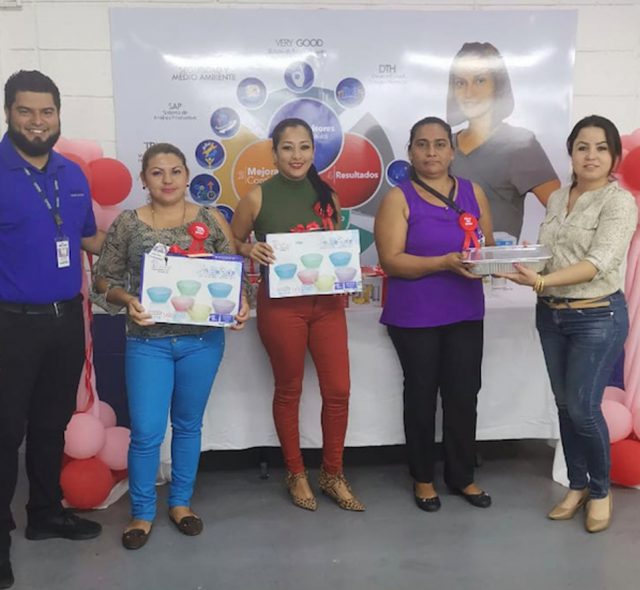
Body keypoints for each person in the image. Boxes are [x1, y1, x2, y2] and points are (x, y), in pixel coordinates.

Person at [92, 143, 249, 549]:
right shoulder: (128, 223)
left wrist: (241, 304)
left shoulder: (210, 219)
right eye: (157, 172)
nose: (167, 180)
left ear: (187, 175)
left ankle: (180, 503)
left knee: (188, 425)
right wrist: (127, 299)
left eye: (175, 171)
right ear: (144, 179)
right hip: (148, 343)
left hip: (202, 343)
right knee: (146, 432)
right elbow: (102, 279)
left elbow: (234, 272)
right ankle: (142, 512)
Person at [498, 115, 637, 533]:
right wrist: (520, 265)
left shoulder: (619, 202)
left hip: (597, 316)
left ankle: (600, 491)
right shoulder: (559, 197)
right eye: (582, 147)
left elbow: (598, 263)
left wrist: (541, 281)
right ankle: (577, 486)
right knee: (563, 406)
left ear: (614, 156)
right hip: (552, 314)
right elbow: (553, 255)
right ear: (571, 153)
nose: (591, 156)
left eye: (601, 148)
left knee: (583, 408)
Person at [0, 70, 105, 590]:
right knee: (4, 434)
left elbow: (88, 239)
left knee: (50, 425)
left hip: (66, 322)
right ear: (8, 113)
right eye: (26, 111)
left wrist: (161, 252)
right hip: (10, 325)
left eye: (47, 111)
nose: (37, 121)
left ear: (59, 115)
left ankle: (44, 513)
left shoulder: (71, 173)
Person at [231, 118, 364, 512]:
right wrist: (248, 249)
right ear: (273, 154)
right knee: (289, 390)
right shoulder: (257, 197)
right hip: (281, 308)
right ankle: (295, 472)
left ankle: (333, 473)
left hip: (327, 307)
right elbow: (231, 240)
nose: (296, 155)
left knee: (338, 390)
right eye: (287, 147)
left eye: (304, 147)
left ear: (313, 151)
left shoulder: (328, 194)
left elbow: (334, 249)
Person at [374, 116, 495, 512]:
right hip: (415, 316)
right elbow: (391, 261)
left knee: (464, 395)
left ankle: (462, 476)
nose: (431, 152)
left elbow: (487, 247)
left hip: (465, 311)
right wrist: (443, 262)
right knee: (422, 396)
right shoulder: (398, 198)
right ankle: (423, 477)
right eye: (422, 144)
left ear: (452, 151)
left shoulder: (474, 192)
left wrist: (499, 260)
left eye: (440, 144)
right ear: (410, 152)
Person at [447, 41, 560, 240]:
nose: (469, 92)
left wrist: (540, 249)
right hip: (440, 257)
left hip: (495, 259)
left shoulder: (520, 145)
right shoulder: (442, 145)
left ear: (497, 86)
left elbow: (562, 209)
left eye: (480, 81)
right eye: (460, 83)